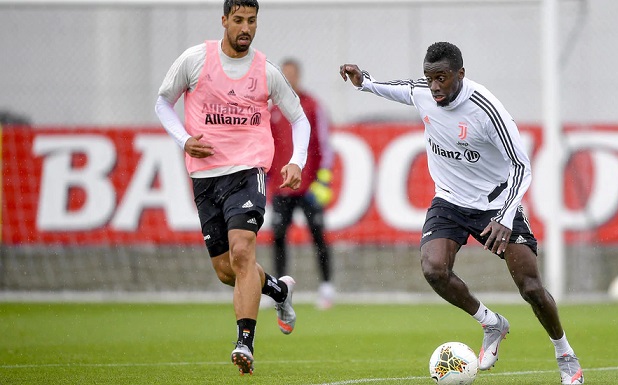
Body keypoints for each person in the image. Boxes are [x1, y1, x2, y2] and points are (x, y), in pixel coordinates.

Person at [339, 42, 584, 385]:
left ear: (460, 75)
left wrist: (505, 215)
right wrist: (363, 80)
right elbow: (397, 88)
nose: (434, 86)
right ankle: (491, 323)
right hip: (450, 201)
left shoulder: (486, 109)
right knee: (433, 269)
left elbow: (521, 166)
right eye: (430, 78)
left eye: (441, 78)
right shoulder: (424, 91)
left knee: (530, 286)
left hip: (497, 204)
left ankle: (565, 354)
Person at [155, 0, 311, 376]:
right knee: (227, 270)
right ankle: (278, 291)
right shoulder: (195, 60)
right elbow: (163, 102)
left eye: (252, 21)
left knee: (242, 252)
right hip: (205, 176)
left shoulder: (266, 71)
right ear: (224, 21)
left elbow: (299, 119)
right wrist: (184, 139)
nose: (246, 27)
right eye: (238, 20)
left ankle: (245, 341)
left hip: (248, 170)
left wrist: (297, 161)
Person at [268, 58, 336, 310]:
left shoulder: (312, 106)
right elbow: (267, 147)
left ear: (299, 77)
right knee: (277, 236)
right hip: (281, 187)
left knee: (318, 235)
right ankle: (277, 289)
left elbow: (325, 146)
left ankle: (327, 287)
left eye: (291, 75)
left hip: (308, 187)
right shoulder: (271, 109)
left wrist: (323, 182)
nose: (288, 80)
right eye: (283, 76)